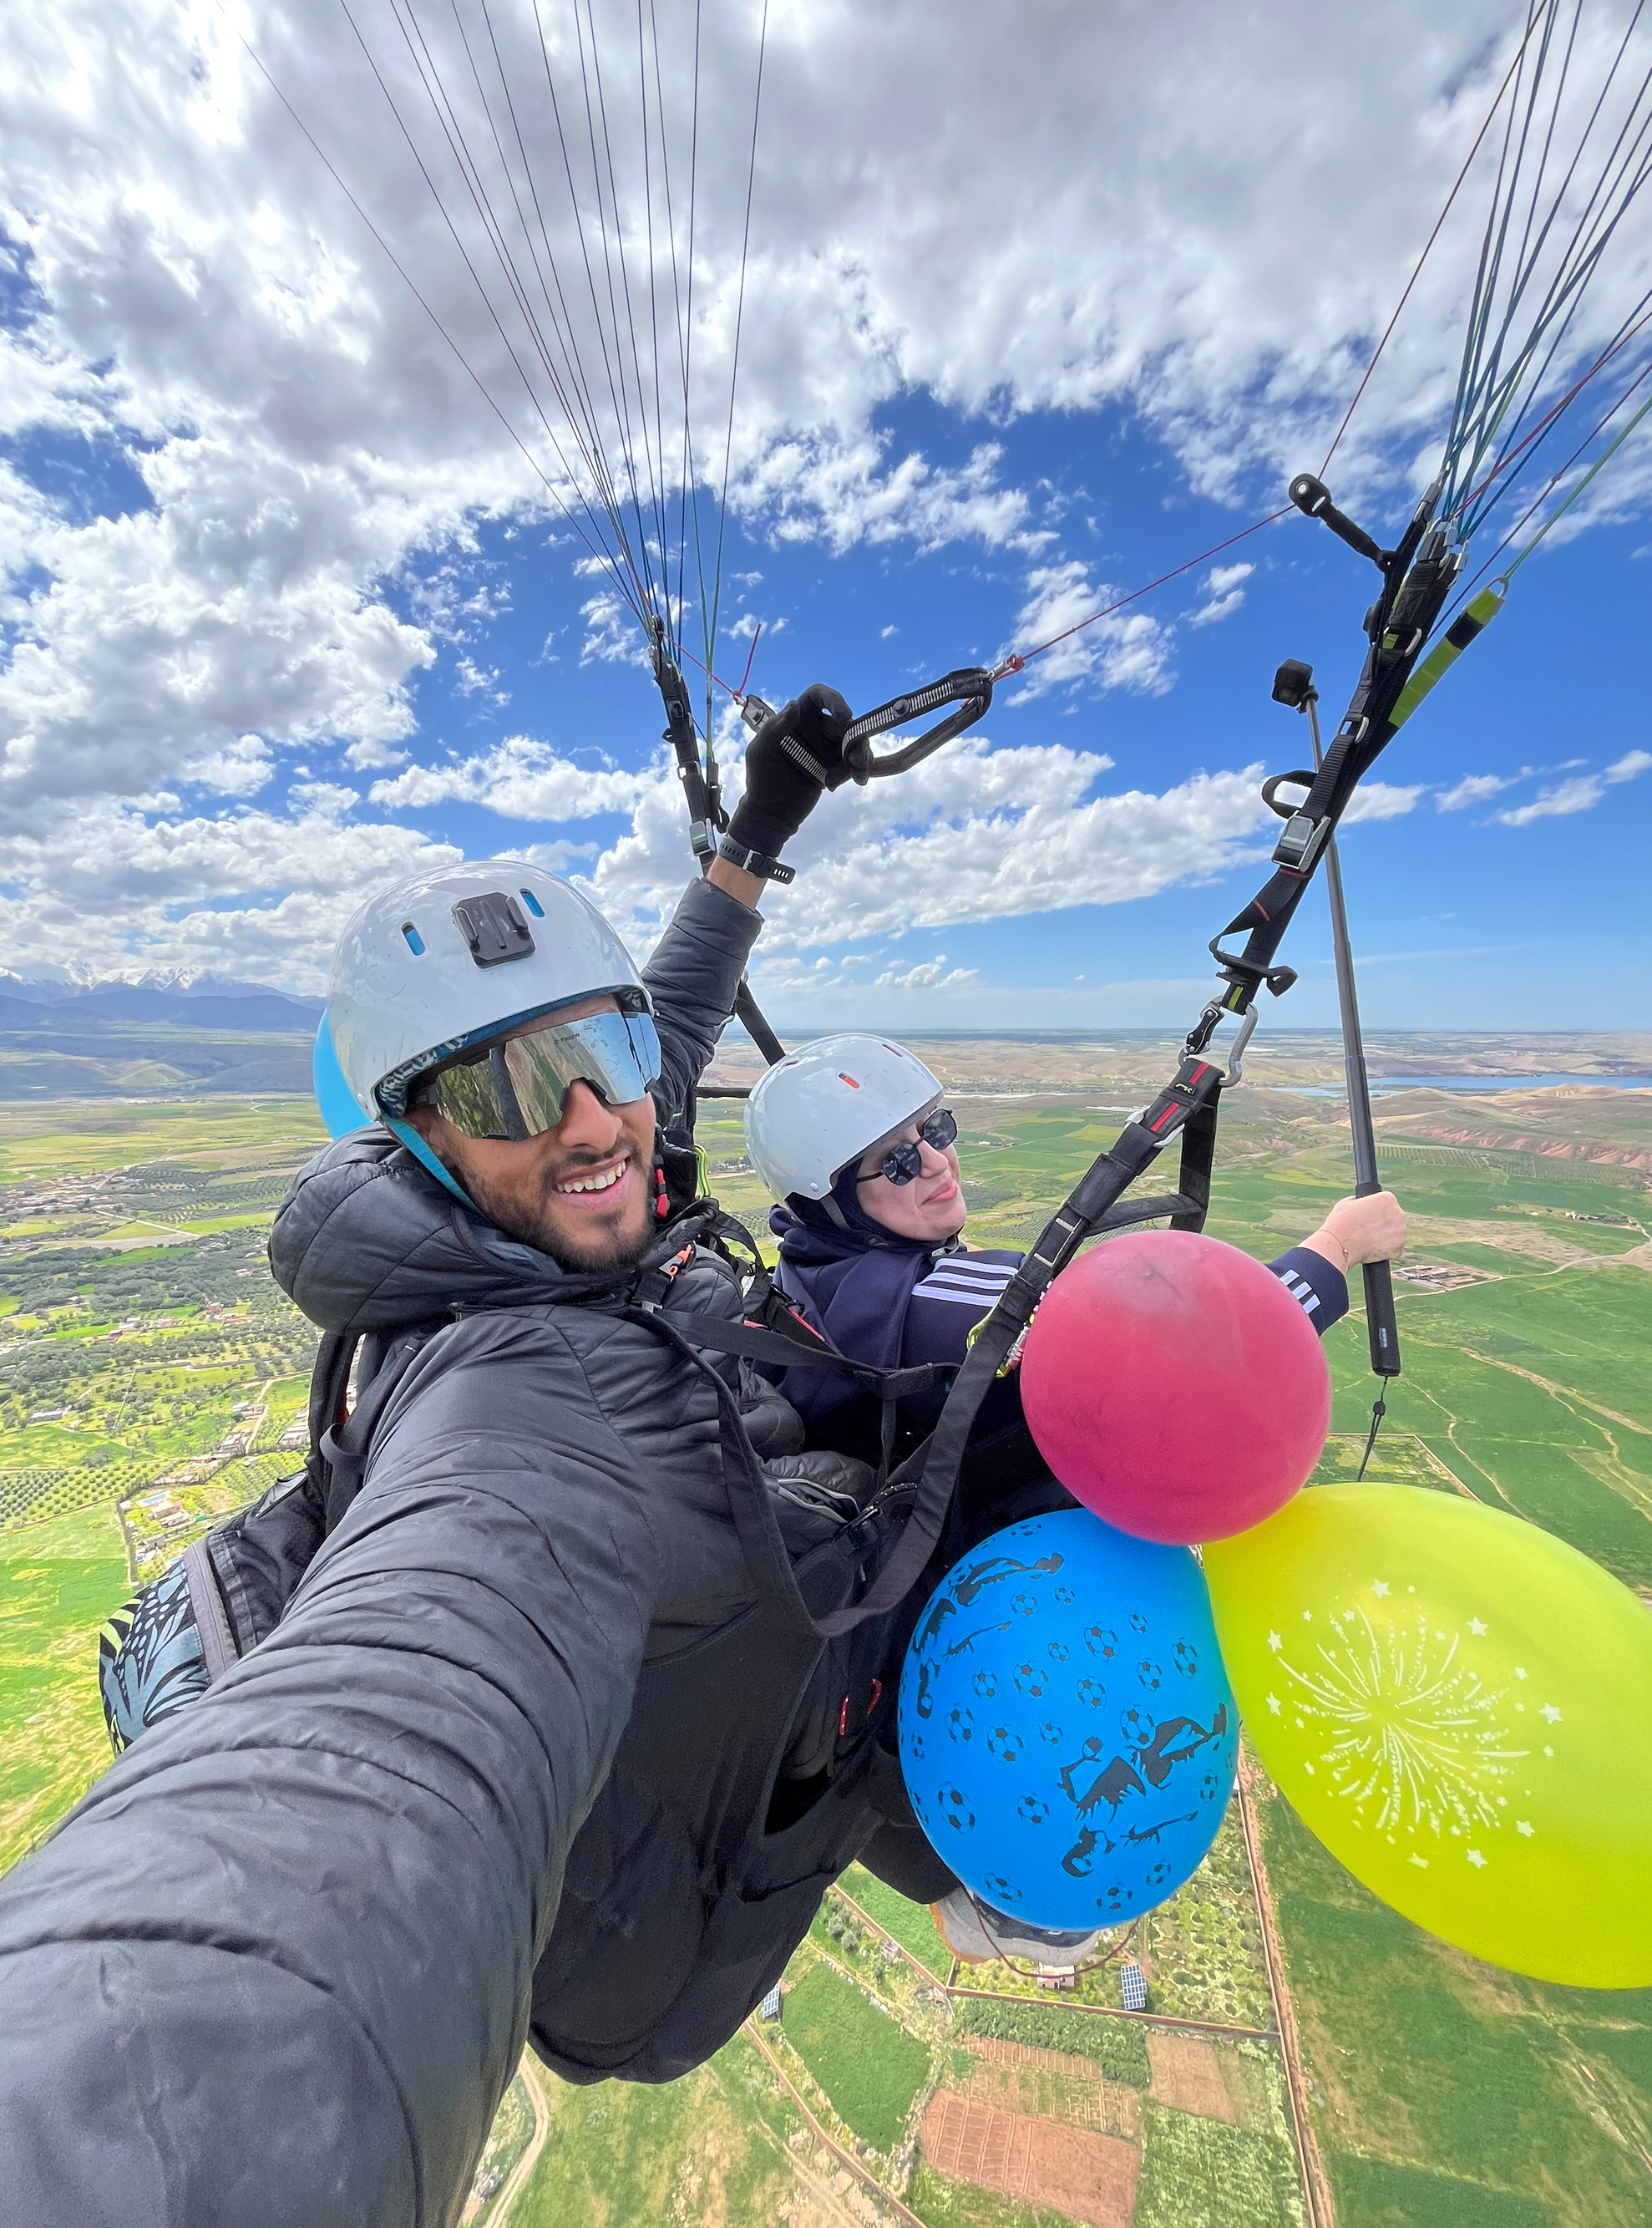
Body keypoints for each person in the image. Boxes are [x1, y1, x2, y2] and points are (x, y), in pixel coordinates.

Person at [0, 686, 955, 2227]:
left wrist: (749, 850)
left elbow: (654, 1038)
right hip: (681, 1920)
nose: (590, 1119)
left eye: (605, 1053)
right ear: (421, 1137)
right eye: (508, 1087)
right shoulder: (516, 1406)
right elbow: (398, 1729)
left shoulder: (552, 1208)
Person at [744, 1031, 1407, 1967]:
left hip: (901, 1624)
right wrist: (1336, 1248)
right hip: (978, 1593)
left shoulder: (805, 1285)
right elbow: (1196, 1345)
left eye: (938, 1127)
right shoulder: (923, 1298)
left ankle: (999, 1896)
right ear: (830, 1201)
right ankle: (1026, 1912)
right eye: (896, 1159)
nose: (936, 1161)